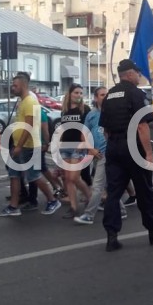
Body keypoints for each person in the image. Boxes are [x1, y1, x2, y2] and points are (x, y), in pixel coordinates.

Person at [100, 59, 153, 251]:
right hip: (133, 147)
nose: (139, 76)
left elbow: (105, 129)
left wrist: (115, 146)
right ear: (130, 73)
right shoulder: (135, 94)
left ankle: (111, 237)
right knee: (144, 191)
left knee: (113, 193)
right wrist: (148, 154)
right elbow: (142, 125)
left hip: (114, 147)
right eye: (138, 73)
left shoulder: (109, 96)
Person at [0, 72, 61, 217]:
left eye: (15, 86)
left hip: (30, 146)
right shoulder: (22, 102)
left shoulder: (30, 102)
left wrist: (19, 146)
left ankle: (52, 201)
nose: (12, 88)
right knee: (14, 175)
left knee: (34, 176)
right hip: (19, 145)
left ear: (23, 86)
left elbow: (29, 125)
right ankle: (13, 206)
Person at [75, 86, 126, 225]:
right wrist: (91, 149)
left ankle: (89, 215)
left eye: (107, 94)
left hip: (108, 154)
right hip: (97, 155)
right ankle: (121, 210)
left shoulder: (114, 112)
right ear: (96, 98)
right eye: (102, 95)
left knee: (97, 185)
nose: (105, 97)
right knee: (109, 185)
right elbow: (83, 134)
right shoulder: (91, 115)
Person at [58, 83, 93, 219]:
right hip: (65, 146)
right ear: (70, 94)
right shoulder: (64, 110)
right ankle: (74, 207)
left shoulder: (85, 109)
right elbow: (62, 129)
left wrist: (86, 144)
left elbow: (88, 128)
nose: (79, 95)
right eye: (76, 93)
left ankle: (90, 197)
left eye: (80, 93)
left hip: (79, 146)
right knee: (68, 179)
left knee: (74, 178)